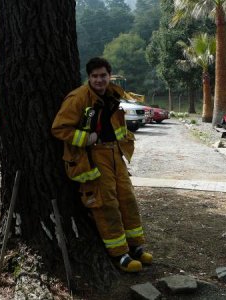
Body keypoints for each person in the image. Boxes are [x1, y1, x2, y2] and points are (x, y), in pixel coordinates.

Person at [51, 57, 152, 272]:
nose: (99, 80)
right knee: (107, 204)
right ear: (88, 77)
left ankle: (136, 247)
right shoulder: (78, 98)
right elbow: (59, 128)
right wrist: (84, 138)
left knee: (127, 199)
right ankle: (119, 254)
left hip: (115, 153)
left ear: (109, 76)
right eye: (95, 76)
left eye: (103, 75)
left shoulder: (113, 94)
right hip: (93, 156)